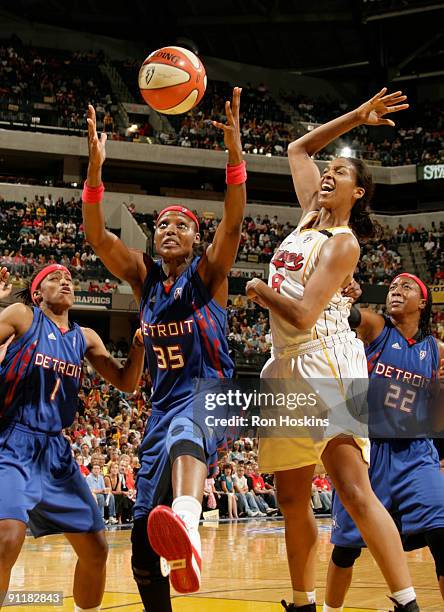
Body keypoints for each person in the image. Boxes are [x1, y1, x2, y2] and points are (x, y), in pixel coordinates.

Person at [245, 88, 419, 611]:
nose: (329, 174)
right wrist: (357, 118)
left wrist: (257, 289)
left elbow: (300, 313)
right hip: (287, 363)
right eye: (330, 170)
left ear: (358, 193)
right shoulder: (306, 219)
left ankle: (406, 601)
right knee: (292, 497)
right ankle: (302, 602)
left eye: (341, 173)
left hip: (328, 356)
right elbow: (298, 149)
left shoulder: (344, 242)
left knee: (351, 487)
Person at [82, 87, 246, 610]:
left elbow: (235, 220)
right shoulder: (144, 279)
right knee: (139, 550)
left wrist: (236, 154)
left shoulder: (209, 276)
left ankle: (191, 533)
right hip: (159, 413)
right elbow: (97, 238)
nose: (168, 229)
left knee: (184, 428)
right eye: (161, 225)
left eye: (181, 224)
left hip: (212, 394)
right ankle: (173, 556)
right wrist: (94, 173)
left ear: (196, 240)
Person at [0, 264, 145, 611]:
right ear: (37, 294)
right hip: (13, 441)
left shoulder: (86, 337)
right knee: (6, 538)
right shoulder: (22, 315)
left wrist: (139, 343)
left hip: (55, 451)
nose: (65, 280)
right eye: (54, 277)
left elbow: (126, 382)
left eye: (69, 278)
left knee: (96, 549)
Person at [324, 273, 444, 611]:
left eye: (406, 287)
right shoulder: (377, 328)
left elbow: (437, 412)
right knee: (346, 549)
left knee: (443, 534)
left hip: (417, 452)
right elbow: (349, 317)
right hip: (369, 452)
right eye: (392, 287)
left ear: (423, 302)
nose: (396, 291)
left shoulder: (435, 350)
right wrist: (342, 295)